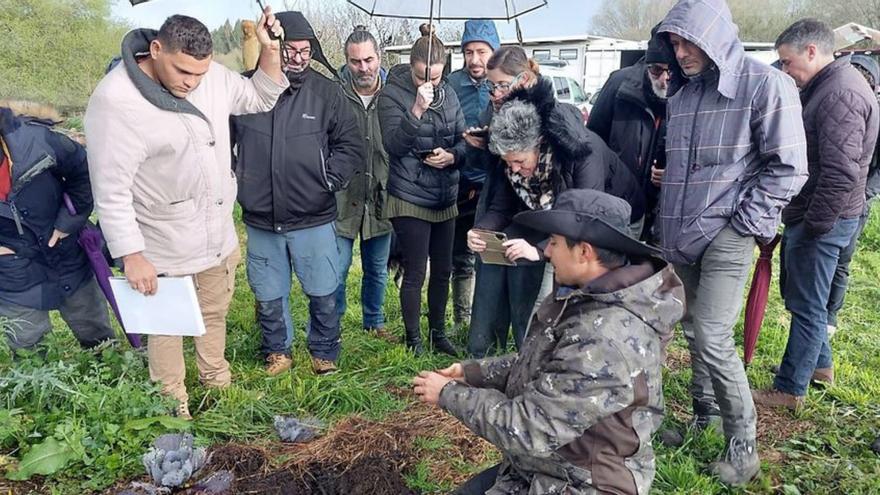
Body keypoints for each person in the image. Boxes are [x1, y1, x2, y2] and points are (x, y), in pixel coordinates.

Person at [413, 188, 685, 495]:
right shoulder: (585, 298)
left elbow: (528, 427)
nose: (546, 252)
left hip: (583, 483)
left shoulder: (605, 339)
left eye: (554, 242)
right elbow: (542, 361)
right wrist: (471, 373)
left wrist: (448, 394)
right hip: (544, 467)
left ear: (585, 252)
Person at [85, 11, 289, 418]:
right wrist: (131, 253)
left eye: (199, 73)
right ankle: (172, 401)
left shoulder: (209, 75)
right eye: (182, 72)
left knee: (213, 310)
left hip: (215, 231)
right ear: (156, 49)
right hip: (160, 239)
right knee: (168, 324)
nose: (191, 82)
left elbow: (260, 96)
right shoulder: (115, 101)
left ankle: (216, 379)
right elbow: (111, 190)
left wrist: (270, 49)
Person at [655, 0, 808, 484]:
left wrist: (744, 223)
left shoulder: (765, 84)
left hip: (728, 233)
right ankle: (705, 414)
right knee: (693, 329)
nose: (680, 52)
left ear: (714, 37)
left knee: (715, 336)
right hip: (680, 235)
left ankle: (744, 445)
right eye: (674, 43)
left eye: (687, 41)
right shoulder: (681, 97)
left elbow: (789, 167)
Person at [466, 48, 645, 357]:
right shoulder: (515, 157)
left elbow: (587, 223)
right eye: (508, 164)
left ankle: (596, 356)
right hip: (565, 218)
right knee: (553, 294)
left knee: (587, 289)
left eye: (520, 162)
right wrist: (480, 231)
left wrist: (537, 250)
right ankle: (544, 360)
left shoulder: (580, 153)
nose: (515, 170)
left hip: (613, 218)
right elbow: (502, 206)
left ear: (537, 144)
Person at [754, 19, 878, 410]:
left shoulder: (839, 93)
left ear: (812, 51)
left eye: (788, 62)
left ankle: (790, 389)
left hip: (825, 218)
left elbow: (841, 171)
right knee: (809, 298)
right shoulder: (830, 86)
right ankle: (820, 365)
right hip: (824, 214)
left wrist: (813, 226)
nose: (786, 71)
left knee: (806, 305)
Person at [232, 11, 360, 376]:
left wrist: (328, 179)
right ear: (273, 48)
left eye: (305, 51)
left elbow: (349, 144)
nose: (298, 58)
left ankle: (324, 351)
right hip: (261, 215)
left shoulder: (326, 93)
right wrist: (235, 179)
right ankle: (277, 351)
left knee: (323, 290)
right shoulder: (245, 91)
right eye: (290, 50)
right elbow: (221, 144)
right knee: (268, 292)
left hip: (312, 213)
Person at [377, 25, 466, 356]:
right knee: (416, 270)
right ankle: (413, 340)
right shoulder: (391, 94)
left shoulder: (451, 94)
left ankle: (438, 334)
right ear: (411, 66)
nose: (428, 82)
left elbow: (463, 139)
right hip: (409, 194)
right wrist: (416, 110)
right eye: (420, 76)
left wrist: (454, 156)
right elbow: (393, 145)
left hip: (445, 193)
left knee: (443, 269)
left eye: (436, 76)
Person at [0, 103, 114, 351]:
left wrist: (68, 221)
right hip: (12, 270)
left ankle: (110, 370)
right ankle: (40, 385)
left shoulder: (37, 139)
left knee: (96, 332)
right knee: (28, 346)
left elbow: (84, 170)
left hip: (66, 252)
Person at [334, 27, 395, 342]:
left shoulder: (393, 93)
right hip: (343, 196)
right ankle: (334, 323)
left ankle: (374, 321)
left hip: (381, 194)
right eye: (355, 61)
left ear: (378, 57)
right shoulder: (333, 94)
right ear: (346, 60)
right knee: (338, 267)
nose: (363, 68)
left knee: (376, 268)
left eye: (369, 59)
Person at [587, 24, 674, 241]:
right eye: (656, 70)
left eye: (670, 70)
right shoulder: (619, 84)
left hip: (662, 209)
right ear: (646, 64)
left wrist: (673, 174)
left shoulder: (688, 93)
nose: (664, 79)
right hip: (618, 203)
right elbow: (592, 140)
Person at [446, 20, 499, 335]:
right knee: (461, 257)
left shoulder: (502, 83)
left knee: (491, 256)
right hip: (461, 184)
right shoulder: (452, 84)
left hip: (494, 186)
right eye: (469, 52)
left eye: (481, 51)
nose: (475, 59)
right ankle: (461, 320)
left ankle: (488, 321)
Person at [823, 54, 880, 337]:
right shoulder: (839, 106)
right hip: (833, 198)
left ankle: (830, 315)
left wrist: (866, 192)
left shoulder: (873, 112)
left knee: (842, 261)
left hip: (857, 202)